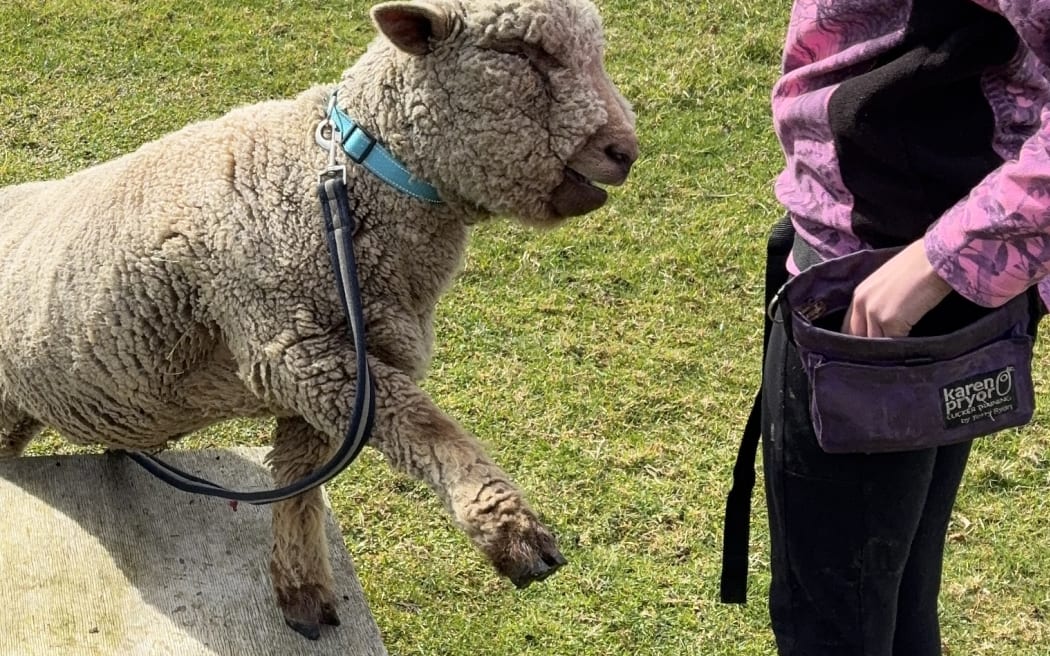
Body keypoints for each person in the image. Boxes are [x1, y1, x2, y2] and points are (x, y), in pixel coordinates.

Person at [759, 1, 1050, 654]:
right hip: (922, 270)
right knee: (892, 597)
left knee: (831, 623)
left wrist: (947, 254)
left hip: (885, 297)